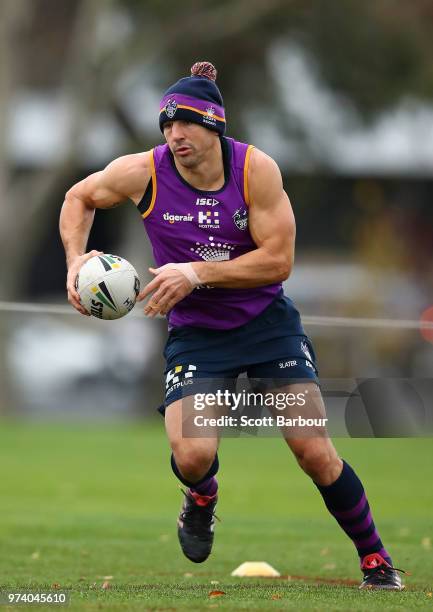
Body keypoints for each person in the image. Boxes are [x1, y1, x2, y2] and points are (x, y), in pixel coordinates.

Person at [59, 61, 404, 590]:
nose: (175, 136)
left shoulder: (255, 170)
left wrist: (195, 272)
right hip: (198, 336)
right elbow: (79, 197)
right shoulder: (144, 171)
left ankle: (375, 559)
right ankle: (202, 495)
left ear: (214, 125)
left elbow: (279, 261)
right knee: (193, 454)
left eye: (187, 125)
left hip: (268, 328)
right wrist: (75, 261)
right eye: (167, 127)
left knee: (313, 450)